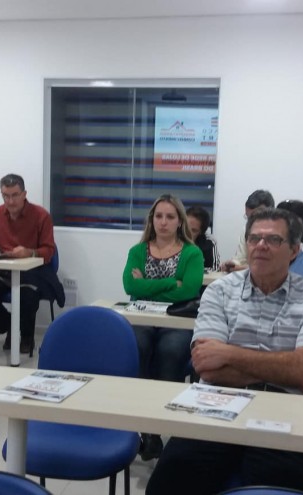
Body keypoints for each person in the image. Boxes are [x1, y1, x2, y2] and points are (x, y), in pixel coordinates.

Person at [146, 207, 303, 495]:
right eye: (254, 238)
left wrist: (228, 354)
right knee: (167, 484)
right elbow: (207, 367)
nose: (261, 245)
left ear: (294, 250)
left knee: (276, 487)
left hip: (285, 411)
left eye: (273, 240)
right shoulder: (219, 291)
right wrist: (290, 372)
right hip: (215, 403)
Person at [122, 194, 204, 460]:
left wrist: (146, 285)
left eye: (170, 217)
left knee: (170, 351)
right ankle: (147, 429)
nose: (163, 222)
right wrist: (171, 283)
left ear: (180, 221)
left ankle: (164, 422)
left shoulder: (192, 253)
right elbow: (130, 286)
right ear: (152, 220)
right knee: (137, 347)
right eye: (159, 216)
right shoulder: (138, 251)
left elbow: (189, 290)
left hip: (177, 319)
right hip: (142, 318)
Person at [0, 174, 63, 355]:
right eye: (5, 196)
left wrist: (29, 252)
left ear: (24, 194)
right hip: (5, 269)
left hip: (34, 270)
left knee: (27, 296)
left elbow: (48, 250)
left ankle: (27, 337)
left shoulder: (41, 215)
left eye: (15, 195)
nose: (10, 201)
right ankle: (12, 328)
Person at [220, 189, 274, 273]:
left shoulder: (280, 232)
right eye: (248, 218)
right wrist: (231, 264)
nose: (252, 221)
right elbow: (240, 259)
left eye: (255, 216)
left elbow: (272, 266)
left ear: (271, 211)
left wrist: (239, 268)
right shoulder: (246, 230)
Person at [186, 205, 220, 270]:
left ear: (201, 232)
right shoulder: (172, 237)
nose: (187, 232)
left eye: (194, 230)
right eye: (186, 227)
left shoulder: (209, 242)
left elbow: (215, 269)